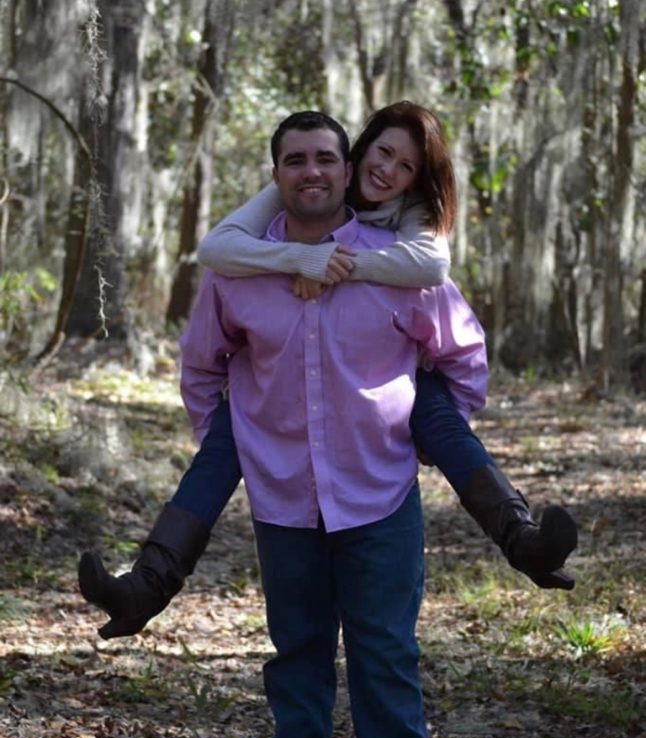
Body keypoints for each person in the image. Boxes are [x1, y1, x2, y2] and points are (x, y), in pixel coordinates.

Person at [78, 103, 577, 642]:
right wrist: (296, 258)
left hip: (404, 405)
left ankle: (523, 540)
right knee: (228, 442)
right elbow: (213, 264)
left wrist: (340, 265)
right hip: (281, 466)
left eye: (406, 166)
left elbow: (440, 292)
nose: (387, 170)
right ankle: (145, 588)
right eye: (382, 152)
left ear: (350, 168)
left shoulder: (410, 224)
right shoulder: (273, 217)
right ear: (359, 153)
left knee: (438, 418)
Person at [183, 109, 487, 738]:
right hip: (284, 506)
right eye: (296, 160)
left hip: (379, 503)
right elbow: (202, 364)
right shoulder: (240, 268)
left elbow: (464, 353)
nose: (312, 171)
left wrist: (433, 435)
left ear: (345, 171)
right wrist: (235, 446)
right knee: (296, 673)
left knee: (386, 669)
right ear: (276, 175)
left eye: (325, 158)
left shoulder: (398, 264)